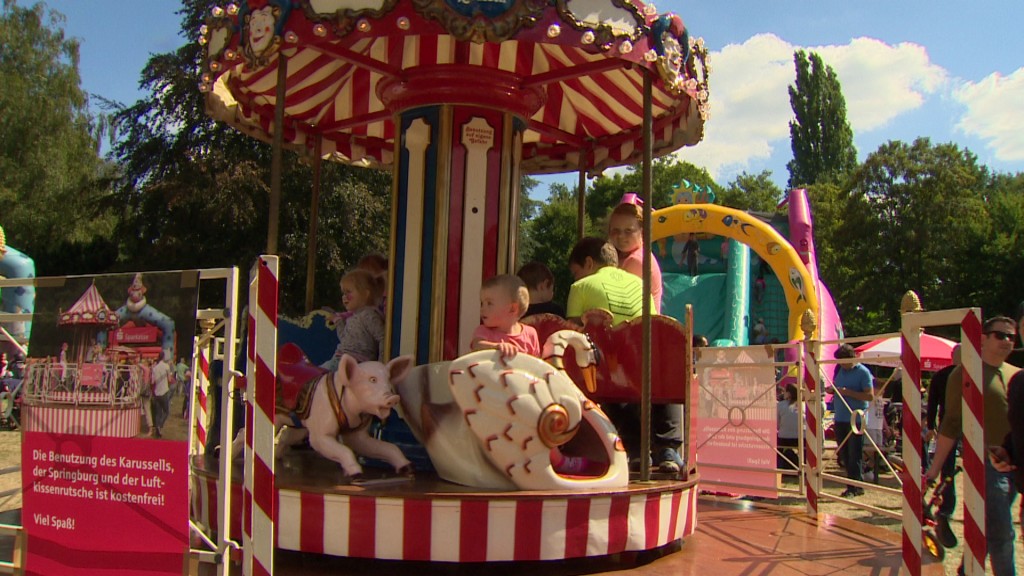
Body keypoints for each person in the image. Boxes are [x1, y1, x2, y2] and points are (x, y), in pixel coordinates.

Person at [566, 237, 683, 473]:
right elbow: (653, 327)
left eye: (576, 272)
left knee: (605, 372)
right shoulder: (641, 286)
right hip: (648, 370)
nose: (576, 278)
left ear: (589, 263)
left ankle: (633, 449)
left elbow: (572, 332)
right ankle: (667, 449)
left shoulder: (581, 287)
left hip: (609, 375)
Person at [926, 316, 1019, 576]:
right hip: (985, 465)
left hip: (1016, 463)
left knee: (990, 528)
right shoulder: (964, 373)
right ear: (982, 338)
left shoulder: (1017, 375)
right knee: (1002, 532)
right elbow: (951, 423)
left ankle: (967, 569)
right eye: (1000, 335)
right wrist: (934, 468)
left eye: (1011, 336)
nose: (1007, 341)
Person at [924, 344, 961, 544]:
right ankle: (946, 507)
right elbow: (932, 402)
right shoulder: (942, 376)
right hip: (949, 426)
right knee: (946, 470)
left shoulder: (979, 374)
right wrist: (931, 426)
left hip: (974, 426)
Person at [827, 343, 874, 497]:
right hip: (840, 417)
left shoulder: (863, 372)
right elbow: (837, 387)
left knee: (855, 454)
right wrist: (833, 390)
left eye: (843, 361)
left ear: (851, 358)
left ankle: (854, 487)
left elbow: (869, 396)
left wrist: (848, 393)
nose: (841, 364)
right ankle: (855, 483)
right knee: (844, 454)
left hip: (856, 418)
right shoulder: (839, 370)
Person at [322, 269, 386, 371]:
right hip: (342, 358)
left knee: (318, 375)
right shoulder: (353, 317)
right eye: (343, 293)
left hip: (355, 362)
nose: (344, 297)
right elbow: (344, 338)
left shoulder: (369, 315)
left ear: (365, 294)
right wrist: (338, 321)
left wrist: (381, 363)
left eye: (348, 292)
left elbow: (383, 337)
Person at [607, 196, 662, 312]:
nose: (621, 236)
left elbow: (616, 302)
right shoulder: (628, 256)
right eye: (615, 231)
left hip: (638, 327)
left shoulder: (636, 261)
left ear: (642, 231)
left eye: (628, 231)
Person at [470, 274, 540, 358]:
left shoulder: (530, 334)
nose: (482, 309)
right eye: (482, 303)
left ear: (512, 309)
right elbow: (476, 346)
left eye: (489, 303)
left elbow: (536, 364)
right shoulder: (484, 331)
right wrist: (496, 347)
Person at [777, 383, 800, 471]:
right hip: (802, 437)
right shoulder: (804, 405)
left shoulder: (780, 405)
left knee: (778, 448)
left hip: (785, 436)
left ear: (789, 393)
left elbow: (777, 424)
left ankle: (779, 466)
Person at [150, 352, 173, 438]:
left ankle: (157, 429)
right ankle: (160, 425)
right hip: (164, 391)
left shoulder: (155, 368)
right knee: (166, 411)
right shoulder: (166, 366)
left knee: (158, 412)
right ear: (163, 357)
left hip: (157, 392)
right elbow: (169, 379)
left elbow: (152, 382)